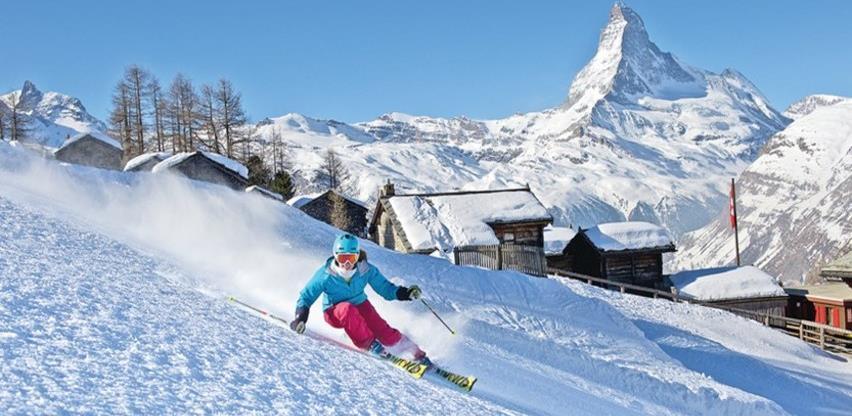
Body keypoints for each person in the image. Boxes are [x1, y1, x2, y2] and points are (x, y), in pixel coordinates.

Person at [290, 233, 428, 361]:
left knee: (378, 325)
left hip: (360, 304)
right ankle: (370, 344)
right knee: (347, 309)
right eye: (342, 258)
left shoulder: (365, 270)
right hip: (334, 312)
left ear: (357, 256)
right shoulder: (326, 275)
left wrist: (405, 293)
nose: (347, 264)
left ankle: (409, 348)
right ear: (335, 256)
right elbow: (306, 296)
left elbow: (385, 288)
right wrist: (300, 319)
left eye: (351, 258)